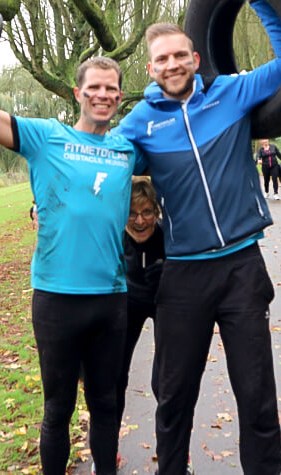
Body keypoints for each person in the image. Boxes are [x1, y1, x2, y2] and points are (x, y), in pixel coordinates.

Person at [112, 0, 281, 475]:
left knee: (256, 392)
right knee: (173, 395)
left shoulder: (232, 92)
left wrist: (263, 1)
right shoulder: (140, 123)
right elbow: (99, 170)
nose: (171, 64)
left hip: (241, 266)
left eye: (178, 55)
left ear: (194, 57)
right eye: (161, 59)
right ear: (150, 68)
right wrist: (49, 202)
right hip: (183, 273)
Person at [0, 56, 137, 475]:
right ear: (78, 93)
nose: (103, 95)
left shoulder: (127, 148)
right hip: (57, 300)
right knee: (57, 408)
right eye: (94, 88)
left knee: (106, 404)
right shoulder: (46, 136)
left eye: (111, 89)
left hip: (111, 299)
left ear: (120, 96)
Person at [116, 176, 165, 429]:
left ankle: (175, 456)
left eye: (147, 212)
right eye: (132, 213)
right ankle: (106, 453)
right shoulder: (114, 237)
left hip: (163, 301)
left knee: (165, 382)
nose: (139, 220)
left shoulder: (170, 236)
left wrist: (169, 272)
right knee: (113, 379)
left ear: (156, 212)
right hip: (129, 301)